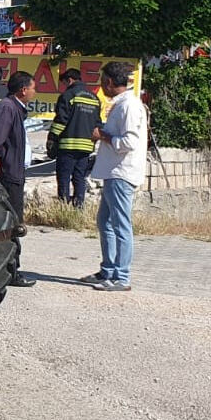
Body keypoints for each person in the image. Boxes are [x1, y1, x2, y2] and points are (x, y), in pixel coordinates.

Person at [81, 62, 147, 292]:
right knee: (105, 222)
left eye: (102, 81)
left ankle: (122, 276)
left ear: (109, 82)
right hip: (113, 172)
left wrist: (103, 136)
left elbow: (129, 142)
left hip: (122, 172)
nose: (102, 86)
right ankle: (108, 269)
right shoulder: (120, 105)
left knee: (121, 225)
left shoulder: (129, 106)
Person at [0, 70, 37, 288]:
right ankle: (11, 272)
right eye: (33, 88)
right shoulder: (8, 108)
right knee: (12, 225)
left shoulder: (15, 108)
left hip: (15, 173)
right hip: (8, 176)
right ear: (23, 90)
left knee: (15, 223)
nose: (35, 92)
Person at [46, 68, 101, 207]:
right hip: (86, 147)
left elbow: (61, 120)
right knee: (79, 177)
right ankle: (79, 206)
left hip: (68, 146)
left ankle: (64, 207)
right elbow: (97, 124)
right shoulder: (94, 98)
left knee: (64, 177)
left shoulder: (68, 95)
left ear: (69, 80)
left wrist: (52, 138)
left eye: (64, 83)